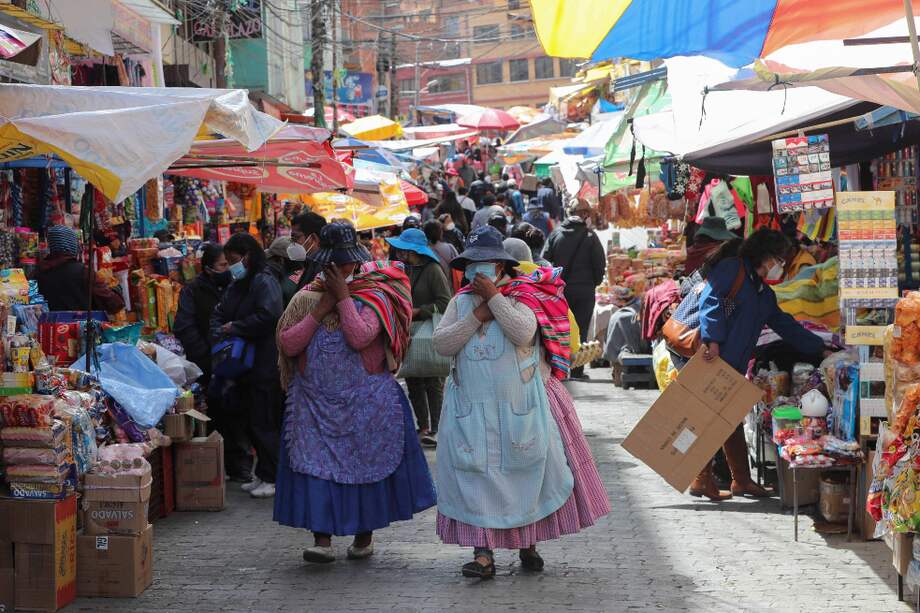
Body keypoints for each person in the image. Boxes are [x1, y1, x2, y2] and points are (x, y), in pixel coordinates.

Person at [434, 226, 610, 578]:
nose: (476, 271)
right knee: (477, 481)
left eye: (485, 263)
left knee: (526, 478)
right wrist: (476, 316)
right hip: (472, 414)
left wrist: (494, 301)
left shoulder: (521, 296)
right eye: (472, 264)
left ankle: (528, 544)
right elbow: (443, 344)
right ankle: (483, 554)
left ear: (501, 266)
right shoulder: (460, 302)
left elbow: (522, 332)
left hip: (518, 412)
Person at [275, 222, 436, 563]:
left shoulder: (376, 296)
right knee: (317, 469)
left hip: (367, 402)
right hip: (315, 404)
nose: (343, 268)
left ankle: (364, 536)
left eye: (347, 262)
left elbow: (360, 336)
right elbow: (288, 344)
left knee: (367, 466)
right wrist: (322, 308)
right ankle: (321, 539)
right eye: (336, 262)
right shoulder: (306, 299)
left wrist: (344, 299)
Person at [686, 229, 826, 501]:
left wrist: (819, 347)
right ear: (765, 256)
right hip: (714, 357)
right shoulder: (733, 269)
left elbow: (785, 325)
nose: (781, 265)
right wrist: (713, 340)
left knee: (728, 417)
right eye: (779, 259)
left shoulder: (763, 293)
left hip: (734, 364)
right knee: (711, 416)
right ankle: (701, 478)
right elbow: (710, 299)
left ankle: (740, 480)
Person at [210, 233, 284, 499]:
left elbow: (269, 316)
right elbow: (220, 310)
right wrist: (221, 327)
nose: (232, 265)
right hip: (242, 364)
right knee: (252, 420)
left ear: (247, 256)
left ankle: (272, 476)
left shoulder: (264, 281)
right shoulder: (240, 283)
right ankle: (263, 473)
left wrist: (236, 327)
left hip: (263, 362)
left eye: (234, 259)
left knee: (264, 420)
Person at [386, 228, 451, 447]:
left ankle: (436, 429)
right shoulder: (404, 269)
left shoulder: (433, 270)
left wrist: (419, 311)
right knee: (413, 379)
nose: (400, 253)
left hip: (428, 332)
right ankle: (422, 426)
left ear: (414, 251)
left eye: (404, 250)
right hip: (409, 332)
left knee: (432, 381)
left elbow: (445, 302)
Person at [543, 200, 606, 379]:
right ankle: (577, 370)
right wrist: (594, 282)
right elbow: (599, 264)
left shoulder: (556, 234)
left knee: (559, 328)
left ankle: (559, 368)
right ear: (584, 215)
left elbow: (545, 261)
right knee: (581, 328)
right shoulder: (591, 236)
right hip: (585, 290)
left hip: (560, 291)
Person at [174, 243, 231, 389]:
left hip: (235, 359)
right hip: (205, 364)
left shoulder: (234, 286)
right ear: (208, 269)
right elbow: (184, 327)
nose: (228, 269)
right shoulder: (192, 290)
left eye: (230, 263)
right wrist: (206, 355)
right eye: (223, 265)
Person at [36, 225, 125, 314]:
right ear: (72, 245)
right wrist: (116, 289)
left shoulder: (39, 272)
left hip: (49, 322)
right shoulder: (84, 272)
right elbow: (114, 304)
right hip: (81, 322)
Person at [603, 287, 648, 363]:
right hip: (631, 349)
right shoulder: (629, 313)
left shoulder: (619, 315)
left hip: (617, 352)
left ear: (623, 301)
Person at [265, 236, 308, 307]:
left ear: (281, 260)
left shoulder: (283, 287)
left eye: (272, 259)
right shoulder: (305, 272)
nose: (269, 263)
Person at [291, 211, 327, 292]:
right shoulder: (310, 263)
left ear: (313, 238)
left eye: (296, 237)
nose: (292, 243)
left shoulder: (322, 269)